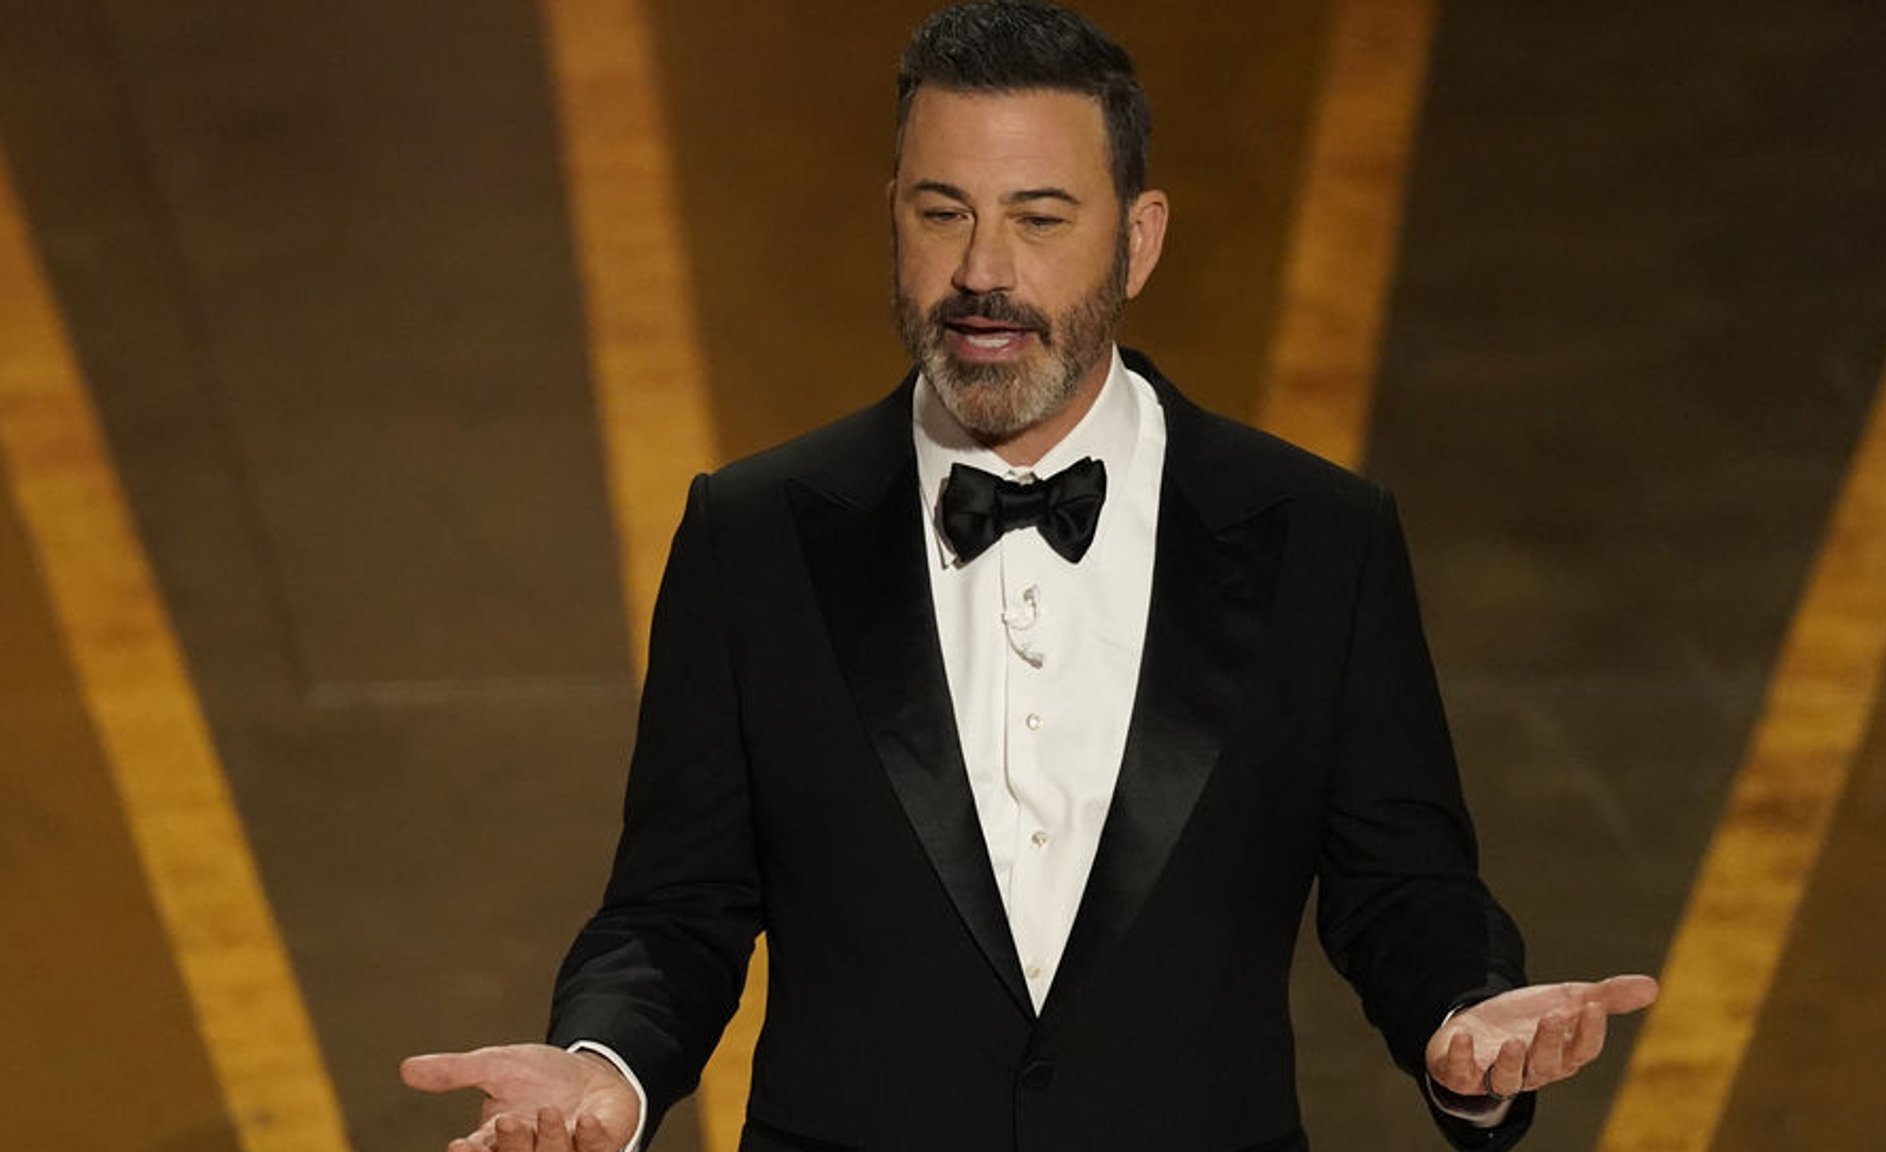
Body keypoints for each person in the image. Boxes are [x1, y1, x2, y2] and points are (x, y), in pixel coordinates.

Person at [401, 2, 1659, 1149]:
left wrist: (1467, 1020)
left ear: (1138, 238)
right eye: (940, 212)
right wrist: (605, 1065)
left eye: (1038, 218)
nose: (981, 272)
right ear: (889, 214)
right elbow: (674, 909)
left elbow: (1403, 887)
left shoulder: (1317, 539)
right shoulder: (753, 536)